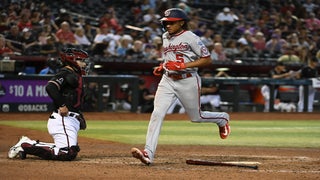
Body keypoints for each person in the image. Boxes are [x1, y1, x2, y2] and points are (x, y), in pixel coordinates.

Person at [131, 8, 230, 165]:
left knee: (196, 117)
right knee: (157, 114)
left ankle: (222, 119)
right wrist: (163, 66)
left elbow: (207, 59)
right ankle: (148, 153)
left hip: (188, 79)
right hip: (167, 80)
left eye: (171, 23)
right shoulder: (165, 36)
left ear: (182, 23)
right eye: (165, 23)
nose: (167, 25)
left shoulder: (191, 37)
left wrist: (183, 65)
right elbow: (169, 58)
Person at [8, 48, 90, 161]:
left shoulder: (75, 75)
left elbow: (74, 99)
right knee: (66, 153)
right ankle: (25, 145)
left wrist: (79, 115)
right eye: (82, 60)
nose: (85, 64)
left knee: (68, 150)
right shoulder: (65, 72)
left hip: (70, 120)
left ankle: (28, 144)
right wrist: (62, 105)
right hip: (63, 119)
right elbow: (50, 87)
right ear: (73, 60)